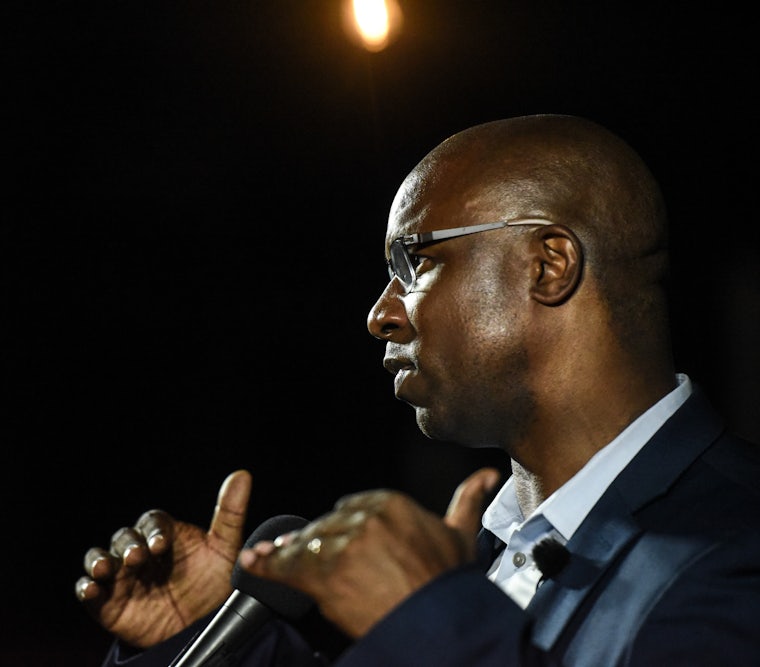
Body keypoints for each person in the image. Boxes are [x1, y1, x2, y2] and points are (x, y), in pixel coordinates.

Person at [75, 114, 760, 666]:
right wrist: (206, 641)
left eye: (416, 261)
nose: (381, 312)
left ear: (550, 265)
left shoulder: (733, 558)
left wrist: (432, 626)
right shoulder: (469, 561)